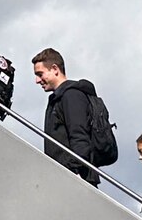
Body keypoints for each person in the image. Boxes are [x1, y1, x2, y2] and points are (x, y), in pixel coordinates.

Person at [33, 49, 103, 185]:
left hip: (76, 178)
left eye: (40, 74)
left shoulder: (71, 96)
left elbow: (80, 136)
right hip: (64, 176)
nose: (37, 80)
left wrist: (75, 172)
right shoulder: (58, 98)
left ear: (54, 69)